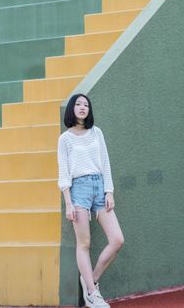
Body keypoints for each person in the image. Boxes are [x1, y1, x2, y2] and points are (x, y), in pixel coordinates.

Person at [57, 93, 124, 308]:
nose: (83, 107)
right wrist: (68, 202)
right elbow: (64, 173)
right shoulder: (65, 139)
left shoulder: (97, 133)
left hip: (99, 188)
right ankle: (93, 295)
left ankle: (90, 281)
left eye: (86, 104)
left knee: (117, 240)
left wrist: (109, 191)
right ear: (71, 109)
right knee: (83, 243)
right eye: (78, 104)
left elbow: (105, 163)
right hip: (78, 191)